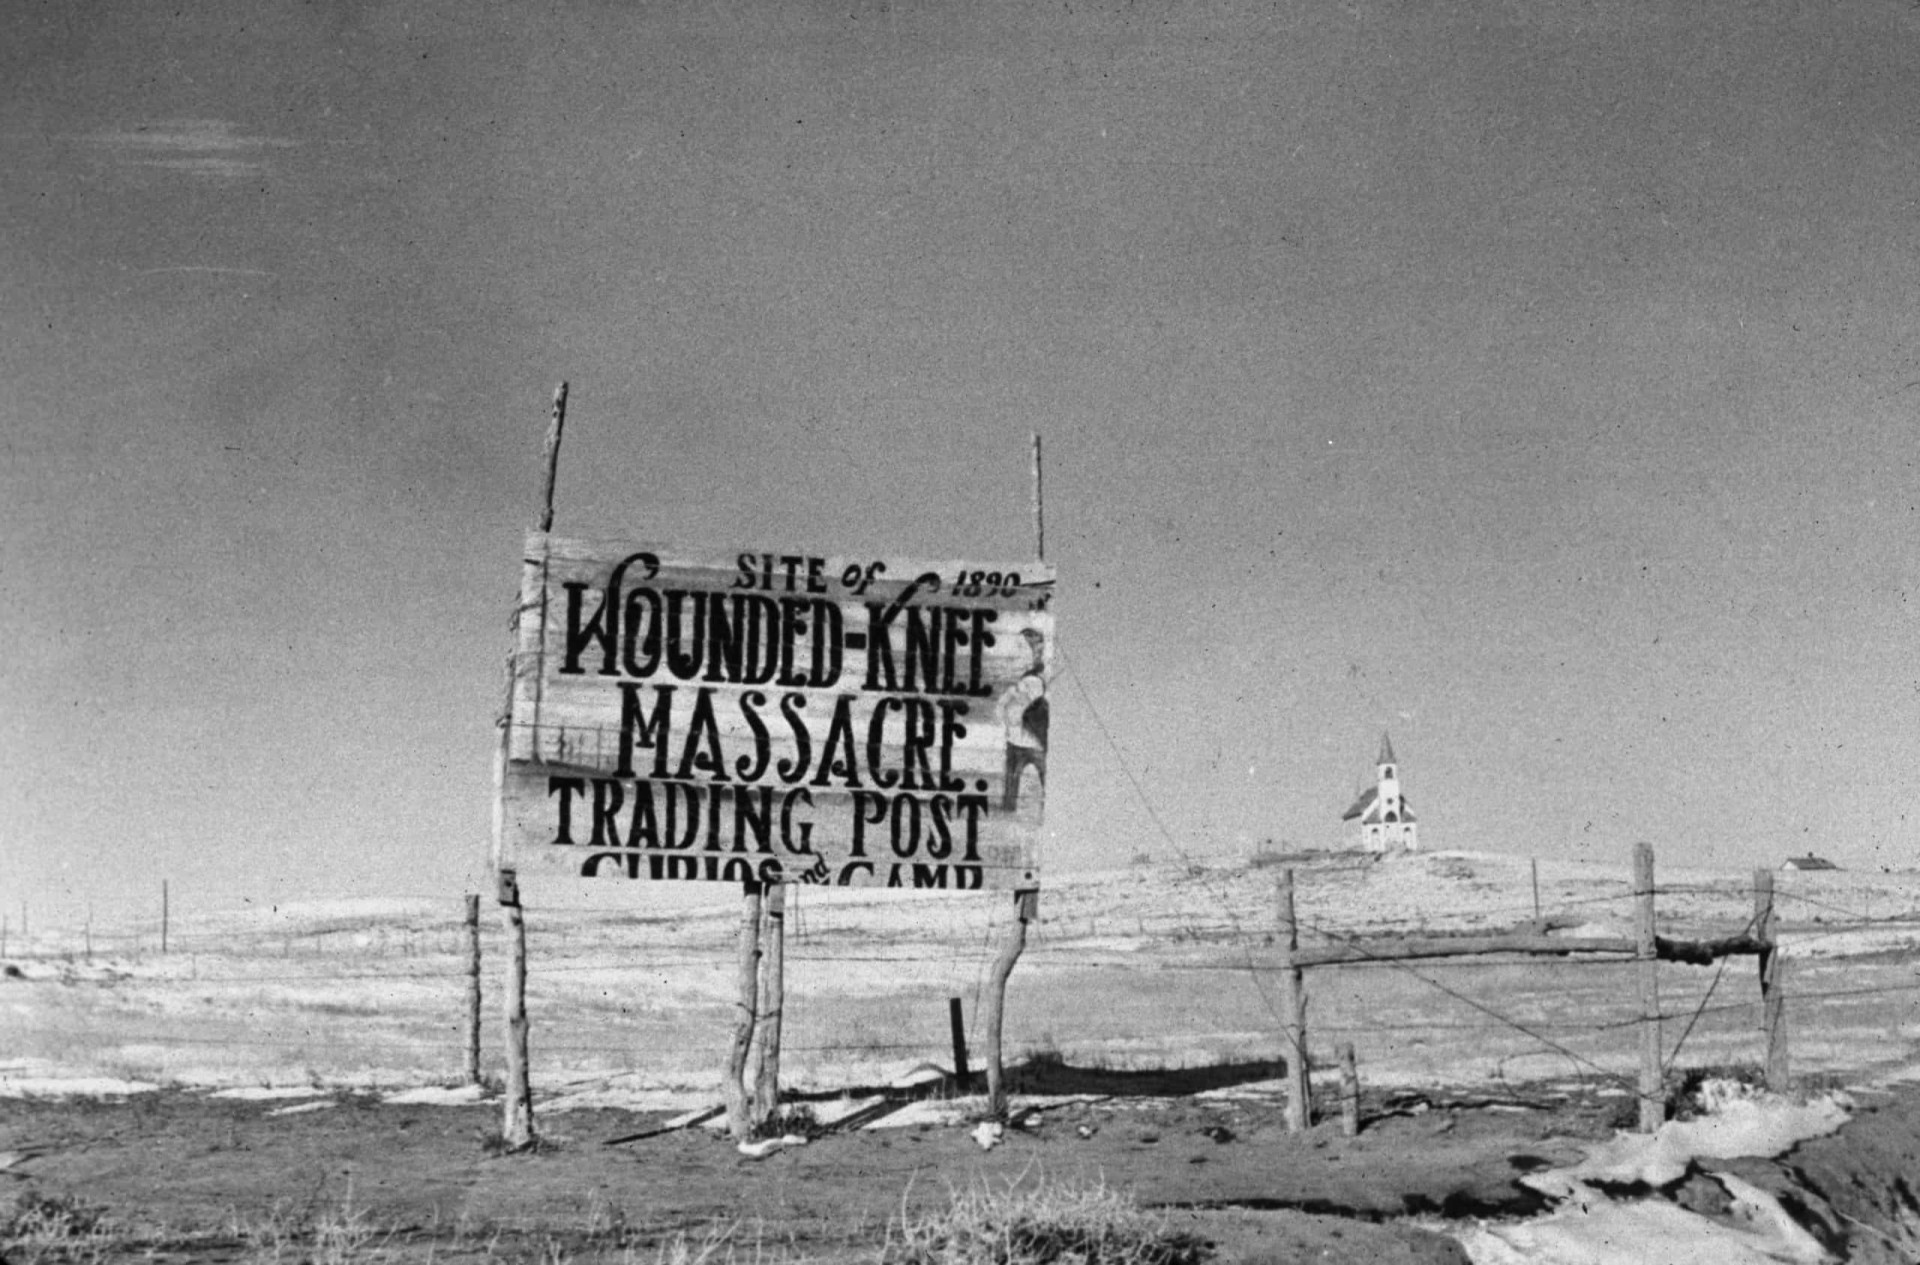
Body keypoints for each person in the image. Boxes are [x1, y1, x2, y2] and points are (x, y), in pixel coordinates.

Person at [997, 627, 1048, 812]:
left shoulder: (1033, 680)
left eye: (1023, 649)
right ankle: (1009, 806)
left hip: (1033, 740)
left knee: (1042, 776)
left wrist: (1014, 694)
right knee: (1013, 780)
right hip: (1018, 739)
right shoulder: (1025, 679)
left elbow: (1032, 698)